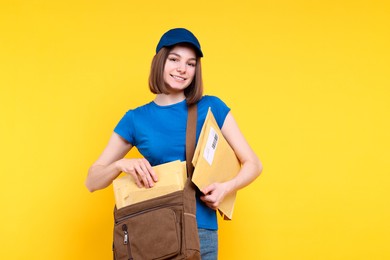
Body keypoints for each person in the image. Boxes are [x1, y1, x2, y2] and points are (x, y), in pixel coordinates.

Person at [85, 28, 262, 260]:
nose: (182, 69)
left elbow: (253, 164)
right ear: (160, 62)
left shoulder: (212, 107)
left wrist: (226, 188)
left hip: (202, 232)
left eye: (191, 63)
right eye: (174, 59)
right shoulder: (135, 119)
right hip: (155, 231)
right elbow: (92, 181)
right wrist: (121, 165)